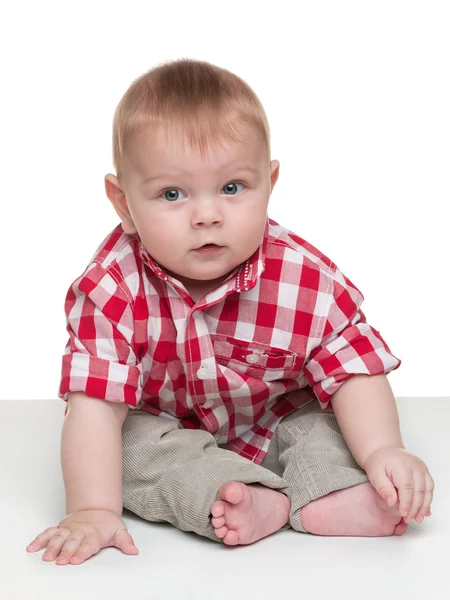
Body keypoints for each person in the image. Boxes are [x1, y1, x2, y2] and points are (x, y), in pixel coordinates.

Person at [26, 58, 434, 566]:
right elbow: (95, 403)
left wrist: (382, 451)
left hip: (276, 422)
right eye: (172, 194)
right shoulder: (110, 287)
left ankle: (330, 493)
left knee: (328, 425)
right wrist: (91, 508)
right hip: (169, 431)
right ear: (124, 203)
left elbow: (353, 370)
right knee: (124, 447)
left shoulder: (303, 277)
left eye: (233, 187)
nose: (207, 214)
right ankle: (238, 494)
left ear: (270, 181)